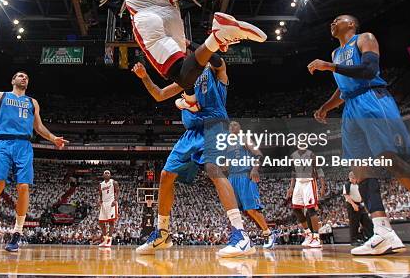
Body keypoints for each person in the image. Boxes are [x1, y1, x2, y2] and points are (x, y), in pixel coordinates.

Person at [308, 14, 410, 254]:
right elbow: (343, 88)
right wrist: (325, 107)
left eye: (338, 19)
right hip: (351, 107)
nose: (332, 23)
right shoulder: (335, 54)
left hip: (372, 98)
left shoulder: (364, 39)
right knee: (359, 170)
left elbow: (368, 70)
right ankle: (383, 232)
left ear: (352, 24)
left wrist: (330, 66)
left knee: (390, 160)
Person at [124, 0, 266, 114]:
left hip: (147, 18)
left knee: (182, 74)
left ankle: (216, 39)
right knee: (184, 70)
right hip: (170, 14)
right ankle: (191, 99)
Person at [131, 54, 255, 258]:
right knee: (165, 175)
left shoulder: (215, 71)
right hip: (191, 134)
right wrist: (145, 77)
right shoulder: (184, 80)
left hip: (214, 126)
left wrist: (193, 45)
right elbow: (160, 94)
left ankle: (241, 235)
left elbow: (217, 60)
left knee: (214, 171)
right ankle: (162, 234)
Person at [0, 72, 68, 253]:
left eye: (26, 77)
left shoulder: (32, 102)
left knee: (23, 186)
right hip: (3, 143)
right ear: (12, 80)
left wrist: (53, 138)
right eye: (20, 76)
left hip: (24, 145)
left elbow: (38, 127)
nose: (24, 78)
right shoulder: (2, 96)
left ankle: (17, 232)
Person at [224, 121, 276, 249]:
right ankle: (240, 238)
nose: (232, 126)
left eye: (235, 124)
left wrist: (255, 169)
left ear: (240, 127)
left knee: (251, 209)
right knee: (233, 210)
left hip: (245, 175)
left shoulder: (244, 138)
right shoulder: (226, 145)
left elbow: (258, 154)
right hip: (232, 178)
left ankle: (268, 233)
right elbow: (225, 165)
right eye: (230, 125)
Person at [286, 148, 325, 248]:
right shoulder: (293, 155)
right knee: (296, 209)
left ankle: (316, 237)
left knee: (311, 209)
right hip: (299, 183)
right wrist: (291, 187)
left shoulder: (311, 154)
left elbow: (319, 169)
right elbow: (293, 172)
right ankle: (308, 234)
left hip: (309, 182)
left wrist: (323, 186)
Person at [343, 171, 373, 245]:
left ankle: (371, 236)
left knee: (366, 220)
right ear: (350, 178)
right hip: (351, 204)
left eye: (355, 178)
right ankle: (353, 240)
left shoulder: (358, 184)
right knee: (354, 223)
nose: (354, 179)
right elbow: (346, 196)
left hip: (360, 204)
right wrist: (353, 205)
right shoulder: (347, 184)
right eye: (353, 178)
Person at [97, 170, 119, 248]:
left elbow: (117, 192)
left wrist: (115, 200)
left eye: (108, 173)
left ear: (110, 175)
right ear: (103, 175)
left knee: (111, 222)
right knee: (101, 222)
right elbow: (100, 194)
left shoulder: (114, 182)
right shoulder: (101, 184)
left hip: (111, 203)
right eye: (105, 173)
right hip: (104, 204)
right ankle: (105, 239)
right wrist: (100, 201)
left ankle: (109, 240)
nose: (106, 174)